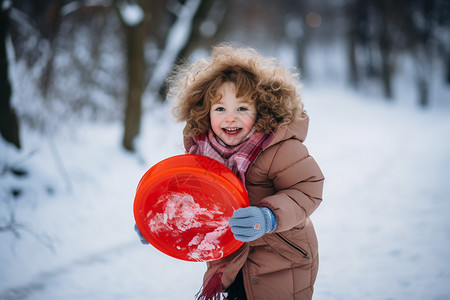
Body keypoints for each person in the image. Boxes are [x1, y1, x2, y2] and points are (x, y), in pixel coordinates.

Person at [166, 44, 324, 300]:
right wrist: (159, 219)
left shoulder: (278, 148)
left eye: (242, 108)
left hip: (280, 259)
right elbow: (188, 198)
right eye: (220, 109)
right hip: (228, 261)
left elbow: (307, 189)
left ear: (262, 110)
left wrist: (269, 216)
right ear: (205, 114)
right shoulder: (202, 153)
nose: (230, 118)